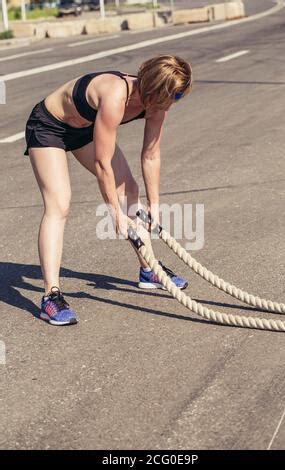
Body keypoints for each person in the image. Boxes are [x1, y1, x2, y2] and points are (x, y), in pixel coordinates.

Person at [24, 54, 193, 326]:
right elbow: (103, 164)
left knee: (130, 189)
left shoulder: (158, 105)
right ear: (154, 90)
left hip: (85, 129)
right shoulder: (115, 95)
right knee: (59, 203)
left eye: (179, 96)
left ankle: (149, 269)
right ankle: (50, 297)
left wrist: (155, 205)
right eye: (174, 96)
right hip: (50, 126)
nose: (175, 102)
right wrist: (115, 213)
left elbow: (151, 155)